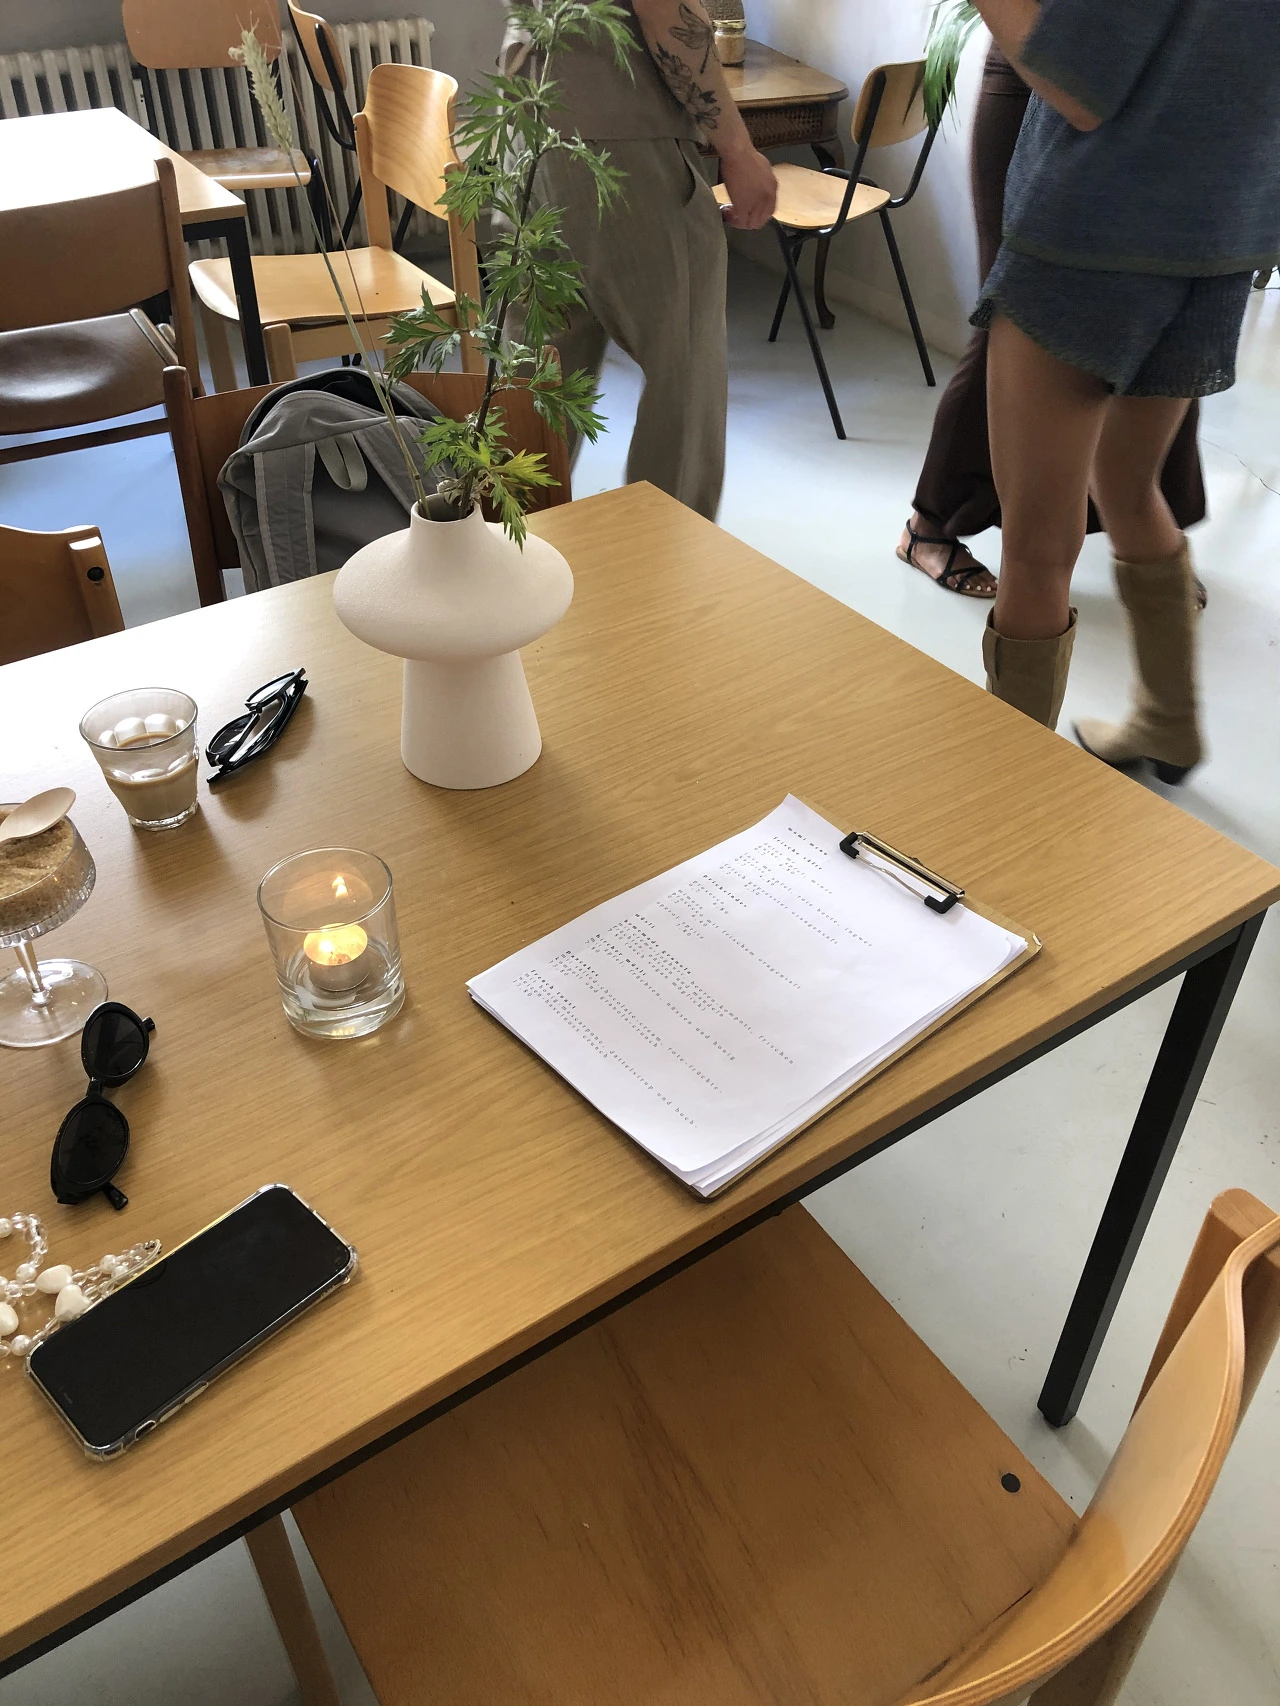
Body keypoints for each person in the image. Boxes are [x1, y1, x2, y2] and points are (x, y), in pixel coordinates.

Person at [969, 0, 1280, 782]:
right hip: (1218, 233)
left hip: (1092, 236)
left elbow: (1076, 81)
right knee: (1128, 484)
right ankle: (1168, 722)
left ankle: (1007, 803)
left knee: (1036, 547)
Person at [899, 42, 1206, 601]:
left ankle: (1146, 534)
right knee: (1012, 326)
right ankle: (928, 526)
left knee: (1163, 334)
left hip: (1163, 111)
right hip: (1036, 89)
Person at [501, 1, 777, 520]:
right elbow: (664, 9)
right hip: (621, 133)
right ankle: (665, 555)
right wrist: (738, 150)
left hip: (534, 117)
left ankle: (510, 544)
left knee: (544, 362)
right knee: (684, 365)